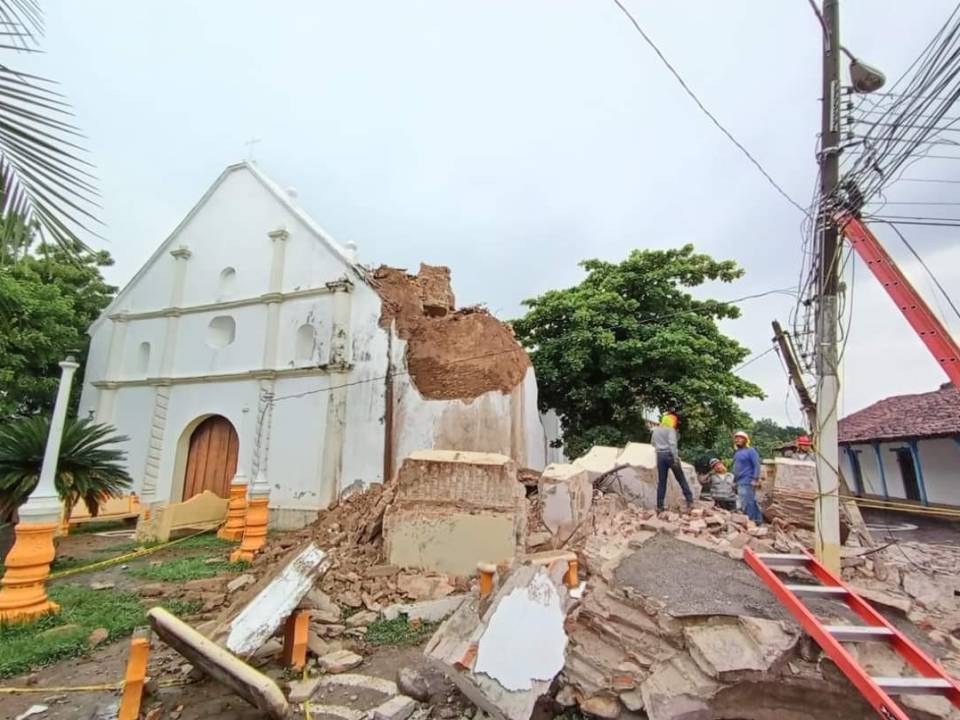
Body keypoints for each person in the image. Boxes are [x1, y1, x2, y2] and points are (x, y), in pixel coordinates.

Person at [650, 412, 694, 513]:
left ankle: (660, 506)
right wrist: (675, 458)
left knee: (662, 481)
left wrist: (660, 447)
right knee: (681, 478)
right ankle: (689, 500)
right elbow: (673, 444)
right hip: (670, 455)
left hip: (660, 456)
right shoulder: (670, 430)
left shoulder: (655, 430)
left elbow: (652, 443)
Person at [732, 431, 763, 523]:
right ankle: (757, 521)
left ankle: (751, 521)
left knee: (747, 502)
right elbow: (735, 468)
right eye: (736, 438)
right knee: (748, 501)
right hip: (739, 481)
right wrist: (734, 481)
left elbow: (756, 465)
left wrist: (755, 478)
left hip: (748, 480)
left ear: (746, 440)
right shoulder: (737, 453)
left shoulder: (751, 451)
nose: (737, 439)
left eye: (740, 438)